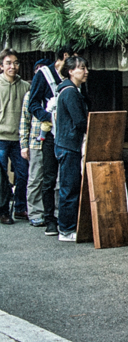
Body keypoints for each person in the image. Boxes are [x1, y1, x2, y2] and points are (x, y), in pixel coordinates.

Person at [27, 47, 73, 235]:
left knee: (68, 179)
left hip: (69, 134)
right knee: (48, 178)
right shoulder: (44, 75)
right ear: (65, 57)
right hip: (49, 132)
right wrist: (48, 116)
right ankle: (49, 219)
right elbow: (33, 103)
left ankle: (66, 218)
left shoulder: (73, 77)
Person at [54, 56, 89, 243]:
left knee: (69, 187)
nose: (86, 71)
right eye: (81, 68)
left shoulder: (70, 90)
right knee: (69, 188)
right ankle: (66, 229)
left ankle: (68, 226)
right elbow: (80, 121)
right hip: (69, 145)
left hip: (66, 144)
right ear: (70, 71)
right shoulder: (70, 92)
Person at [20, 59, 52, 233]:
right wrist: (23, 144)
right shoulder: (30, 94)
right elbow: (24, 121)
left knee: (53, 179)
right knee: (35, 179)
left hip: (52, 140)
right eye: (38, 70)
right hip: (34, 141)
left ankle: (51, 212)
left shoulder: (54, 92)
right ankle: (35, 213)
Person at [0, 50, 30, 225]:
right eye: (9, 63)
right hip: (1, 137)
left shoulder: (25, 86)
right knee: (2, 178)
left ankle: (20, 207)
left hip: (19, 139)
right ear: (1, 66)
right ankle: (3, 211)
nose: (13, 66)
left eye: (16, 63)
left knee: (23, 174)